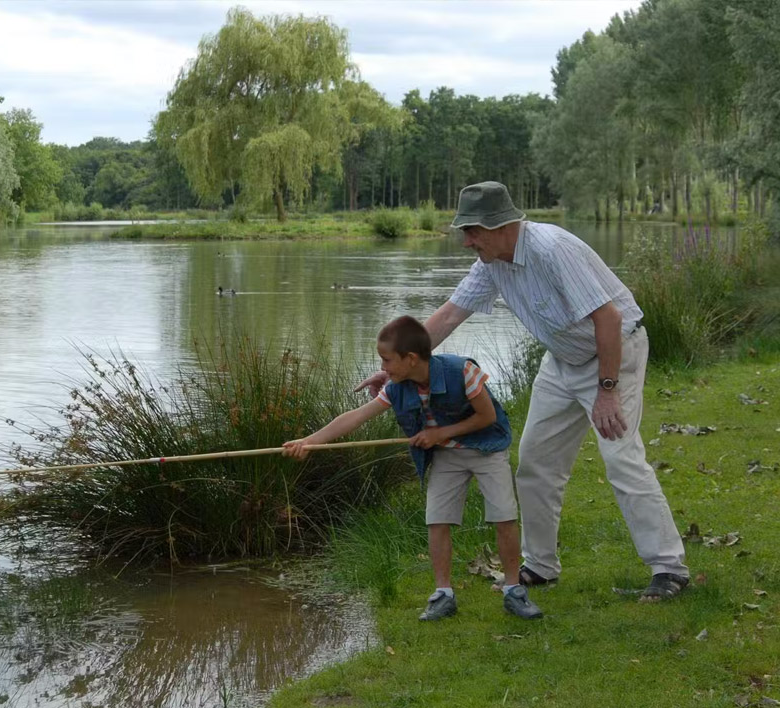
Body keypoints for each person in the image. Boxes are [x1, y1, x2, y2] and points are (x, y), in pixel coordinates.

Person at [359, 181, 689, 601]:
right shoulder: (491, 262)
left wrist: (607, 390)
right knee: (535, 462)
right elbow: (448, 317)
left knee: (621, 458)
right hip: (562, 360)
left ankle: (668, 568)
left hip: (613, 355)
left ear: (500, 226)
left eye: (472, 231)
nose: (466, 241)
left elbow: (607, 318)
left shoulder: (552, 250)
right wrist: (395, 373)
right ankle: (540, 566)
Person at [283, 315, 542, 621]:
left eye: (386, 360)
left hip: (487, 448)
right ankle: (443, 595)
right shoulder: (396, 386)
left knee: (504, 516)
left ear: (411, 358)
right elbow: (357, 416)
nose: (382, 368)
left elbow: (487, 418)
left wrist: (439, 433)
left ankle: (513, 590)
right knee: (437, 520)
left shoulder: (462, 371)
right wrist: (309, 442)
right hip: (447, 456)